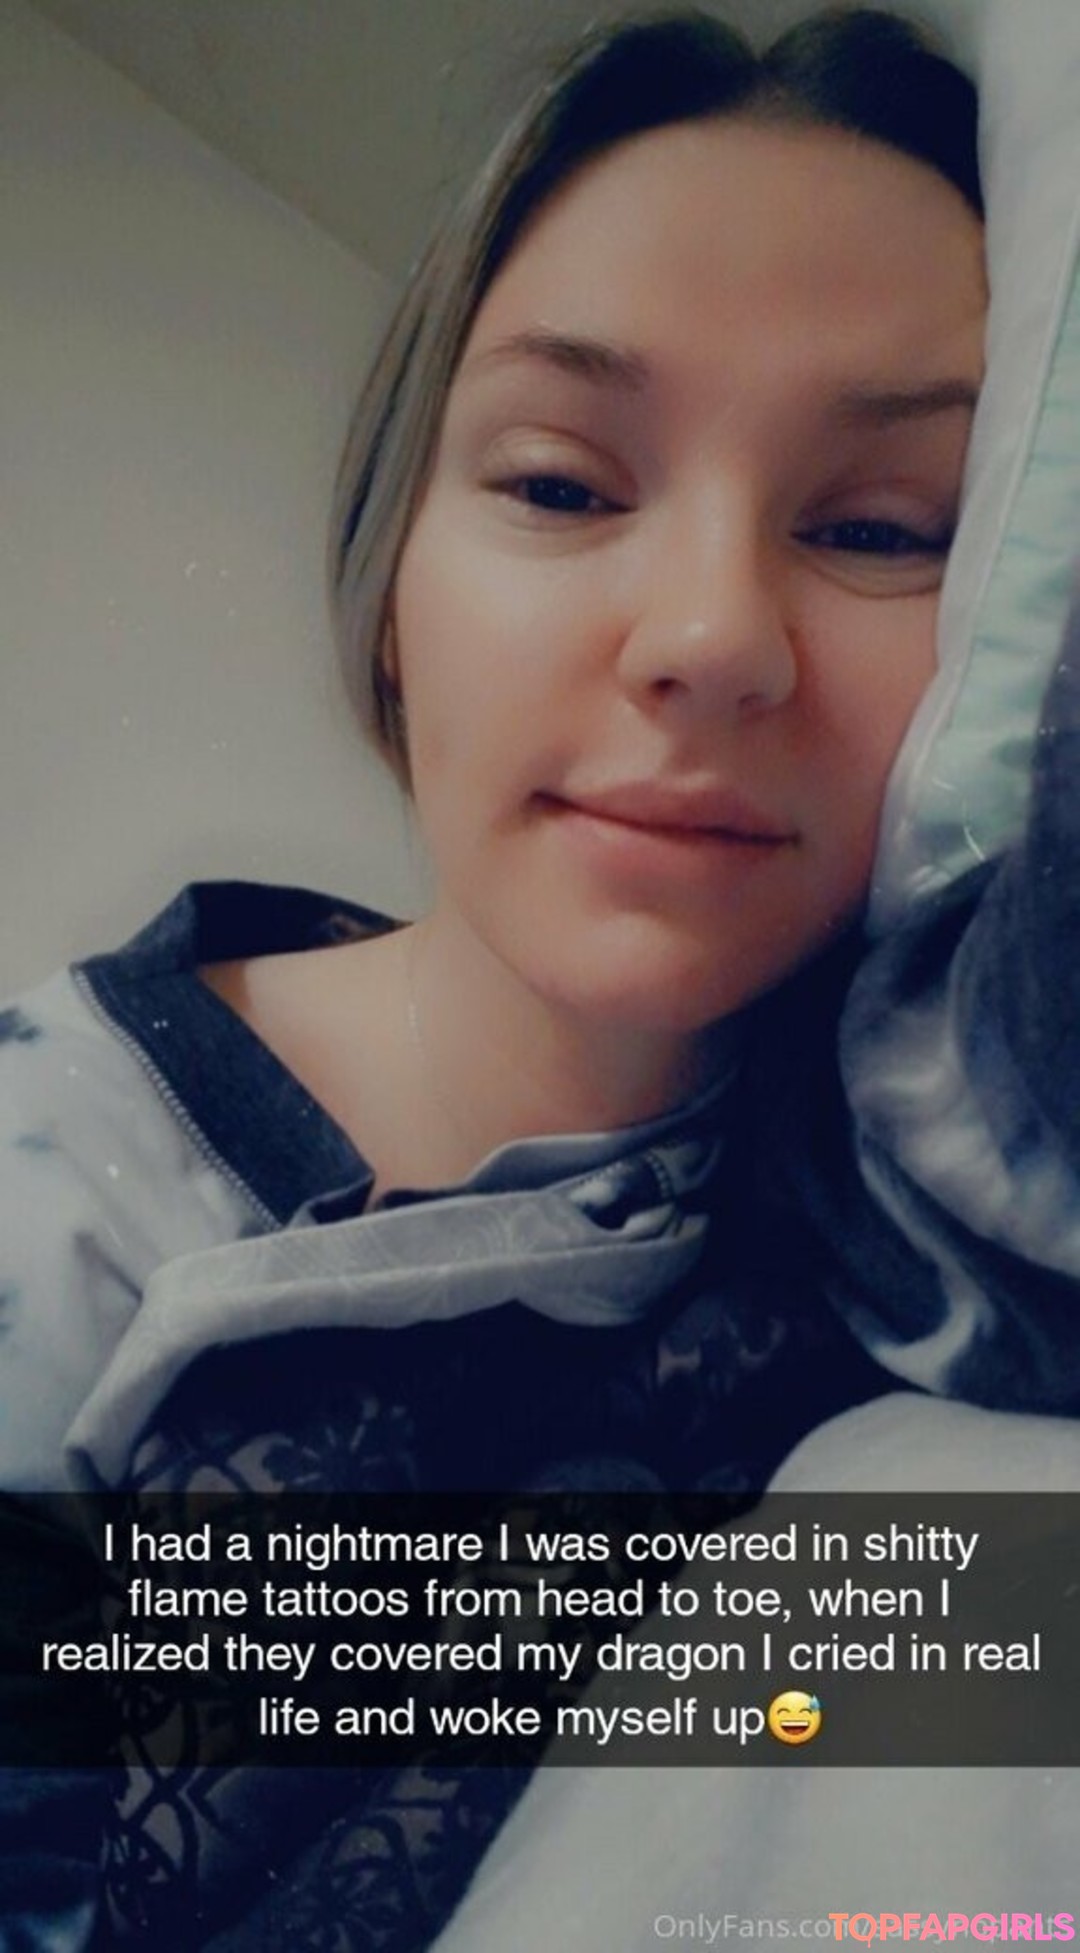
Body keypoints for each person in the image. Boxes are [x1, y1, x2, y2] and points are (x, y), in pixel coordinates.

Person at [0, 5, 998, 1947]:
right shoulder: (58, 1184)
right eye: (559, 485)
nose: (712, 634)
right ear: (395, 589)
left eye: (880, 527)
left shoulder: (946, 1218)